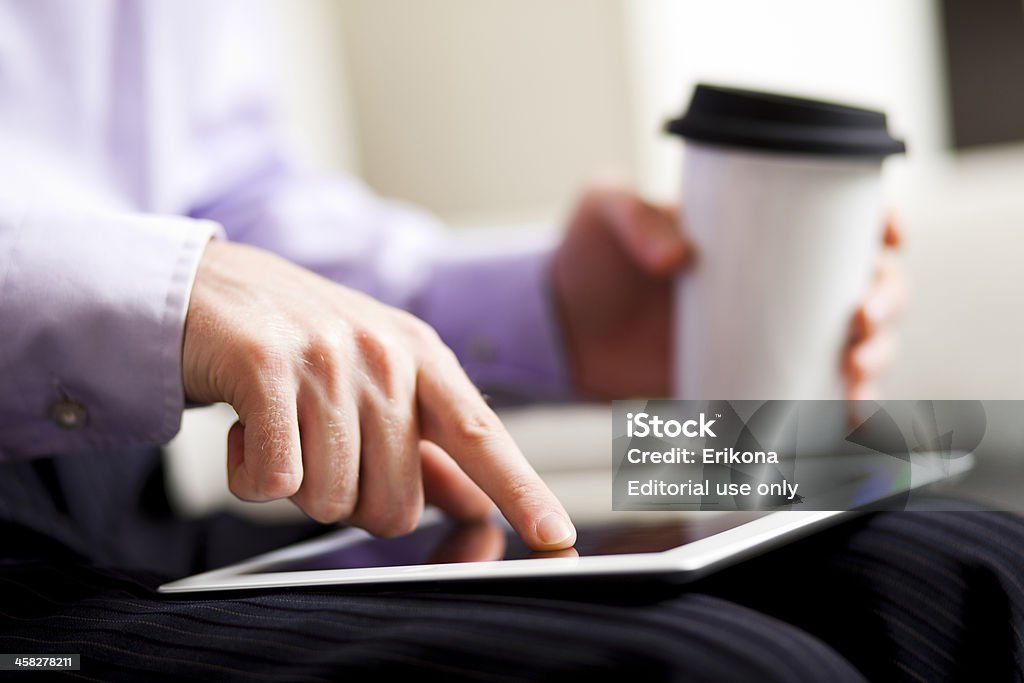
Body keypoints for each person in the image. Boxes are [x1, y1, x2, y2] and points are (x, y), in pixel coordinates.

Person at [1, 2, 1020, 681]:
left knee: (973, 567)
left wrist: (551, 313)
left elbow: (229, 184)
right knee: (724, 667)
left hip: (114, 495)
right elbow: (185, 268)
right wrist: (151, 291)